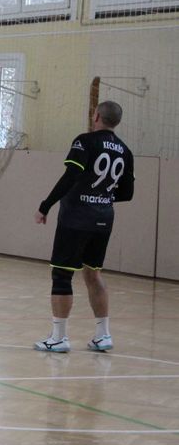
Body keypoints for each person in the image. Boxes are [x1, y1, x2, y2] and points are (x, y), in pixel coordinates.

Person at [33, 100, 134, 353]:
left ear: (96, 115)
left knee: (62, 274)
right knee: (93, 274)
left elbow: (71, 176)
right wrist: (100, 195)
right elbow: (127, 193)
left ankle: (58, 338)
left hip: (76, 218)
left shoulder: (85, 141)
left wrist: (45, 205)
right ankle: (103, 335)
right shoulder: (125, 151)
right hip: (104, 219)